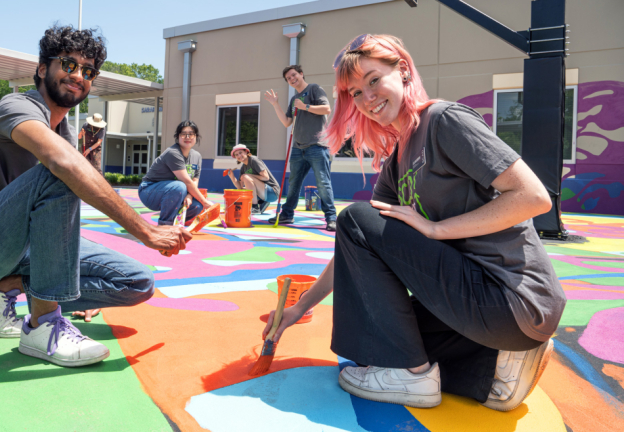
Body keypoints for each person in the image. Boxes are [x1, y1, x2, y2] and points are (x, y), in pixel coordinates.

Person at [263, 34, 566, 411]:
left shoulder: (443, 121)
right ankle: (494, 372)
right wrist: (300, 306)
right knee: (373, 344)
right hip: (495, 312)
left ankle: (413, 375)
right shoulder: (397, 161)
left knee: (354, 218)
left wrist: (438, 230)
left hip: (510, 296)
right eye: (355, 93)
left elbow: (533, 197)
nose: (366, 98)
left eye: (373, 80)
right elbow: (357, 247)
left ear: (403, 71)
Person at [0, 25, 191, 368]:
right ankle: (42, 327)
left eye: (88, 71)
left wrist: (88, 158)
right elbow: (62, 165)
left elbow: (67, 180)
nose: (78, 75)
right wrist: (146, 230)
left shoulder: (63, 132)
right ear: (41, 69)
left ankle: (6, 285)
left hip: (19, 249)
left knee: (138, 282)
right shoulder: (15, 106)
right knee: (63, 170)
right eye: (68, 64)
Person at [264, 65, 337, 231]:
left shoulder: (314, 89)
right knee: (294, 183)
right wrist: (275, 104)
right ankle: (287, 214)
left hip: (317, 146)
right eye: (288, 78)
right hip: (298, 148)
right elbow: (287, 122)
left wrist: (305, 107)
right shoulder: (294, 99)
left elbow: (327, 109)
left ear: (301, 74)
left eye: (294, 75)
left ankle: (331, 218)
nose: (292, 79)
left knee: (323, 183)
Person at [138, 121, 213, 226]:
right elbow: (186, 181)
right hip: (149, 191)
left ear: (196, 137)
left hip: (176, 191)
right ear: (178, 136)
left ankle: (174, 223)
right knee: (180, 186)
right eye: (183, 133)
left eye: (191, 134)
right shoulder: (173, 153)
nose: (187, 137)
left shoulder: (197, 156)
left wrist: (190, 196)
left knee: (197, 206)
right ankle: (165, 226)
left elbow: (194, 180)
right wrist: (205, 202)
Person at [226, 144, 280, 214]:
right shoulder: (243, 167)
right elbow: (240, 187)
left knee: (245, 177)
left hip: (273, 191)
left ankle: (255, 207)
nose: (239, 156)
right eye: (236, 155)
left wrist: (249, 176)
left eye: (240, 153)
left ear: (246, 152)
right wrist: (232, 177)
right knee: (243, 189)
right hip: (263, 192)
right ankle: (262, 202)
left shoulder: (253, 160)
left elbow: (266, 177)